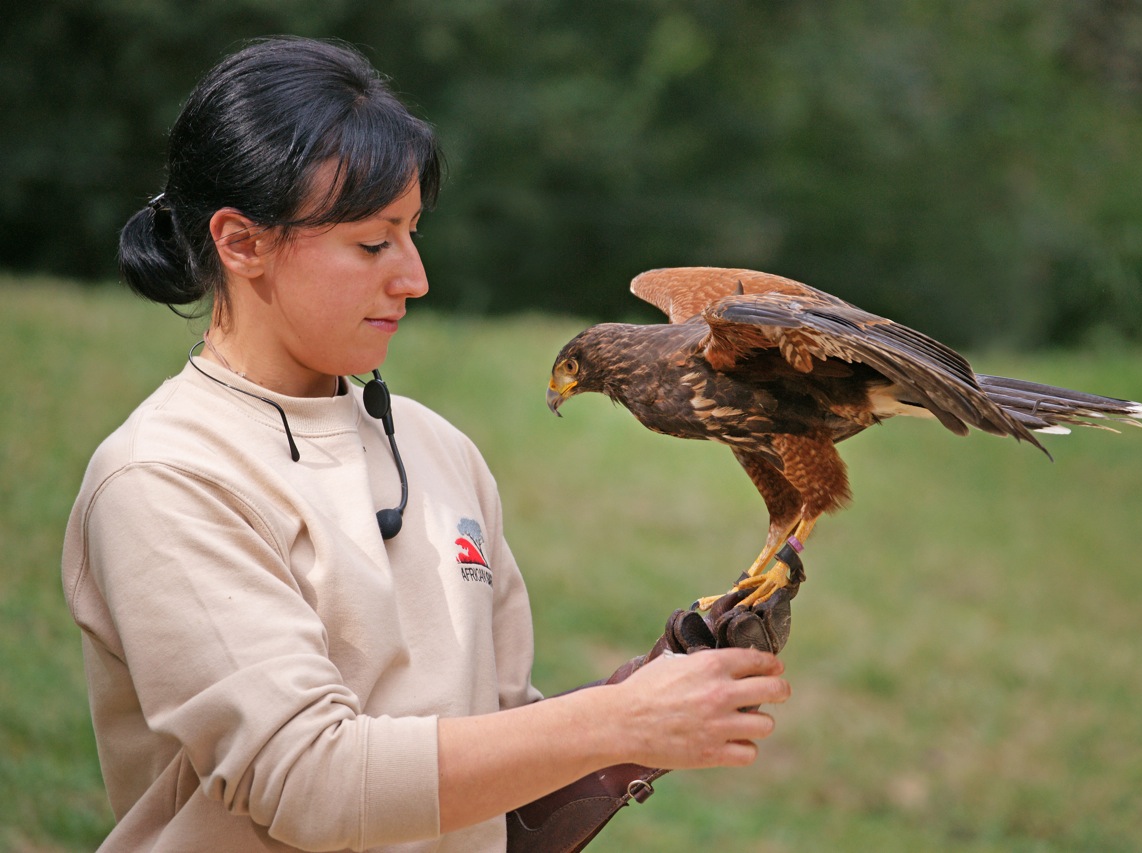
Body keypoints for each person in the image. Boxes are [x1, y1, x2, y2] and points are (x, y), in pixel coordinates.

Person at [62, 36, 791, 852]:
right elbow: (312, 783)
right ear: (241, 242)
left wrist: (641, 713)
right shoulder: (165, 478)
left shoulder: (439, 450)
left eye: (412, 233)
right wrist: (613, 720)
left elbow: (498, 777)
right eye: (374, 243)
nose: (414, 276)